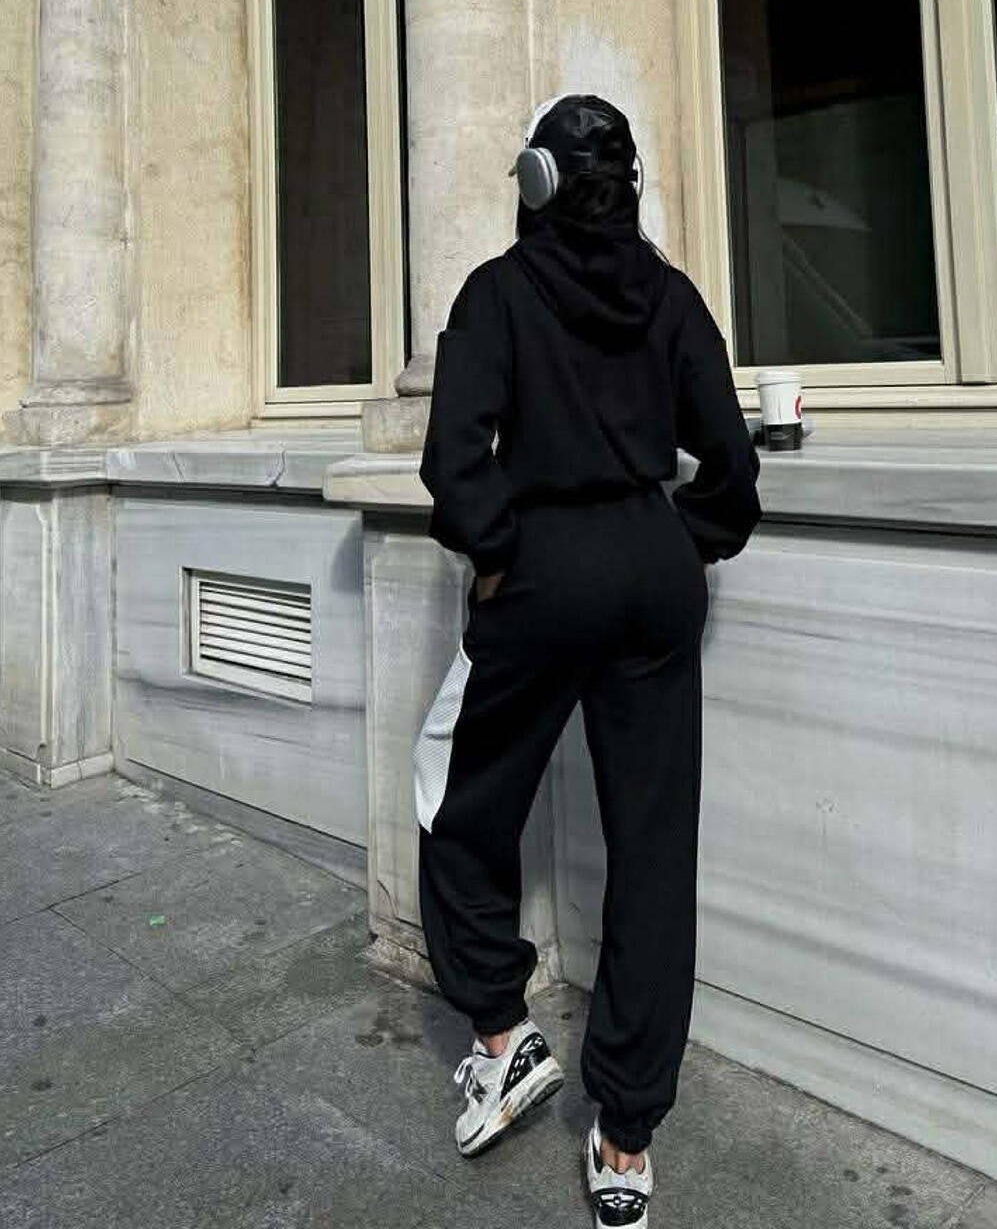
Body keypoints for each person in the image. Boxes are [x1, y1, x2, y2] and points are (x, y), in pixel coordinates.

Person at [413, 93, 761, 1227]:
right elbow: (731, 468)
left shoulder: (498, 292)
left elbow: (454, 459)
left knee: (462, 805)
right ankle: (626, 1139)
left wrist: (498, 551)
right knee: (654, 851)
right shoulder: (672, 296)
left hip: (543, 576)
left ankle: (502, 1036)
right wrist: (682, 540)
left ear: (537, 182)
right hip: (654, 575)